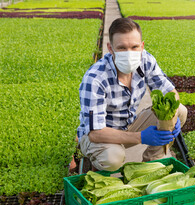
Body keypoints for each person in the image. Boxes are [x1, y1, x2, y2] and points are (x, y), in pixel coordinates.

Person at [76, 18, 187, 171]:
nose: (129, 53)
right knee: (112, 157)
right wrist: (141, 137)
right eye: (122, 48)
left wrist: (171, 119)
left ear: (142, 46)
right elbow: (96, 133)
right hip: (100, 136)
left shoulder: (145, 60)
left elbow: (170, 93)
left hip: (129, 126)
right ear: (110, 48)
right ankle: (97, 165)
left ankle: (151, 165)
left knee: (179, 110)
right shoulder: (95, 78)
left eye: (134, 47)